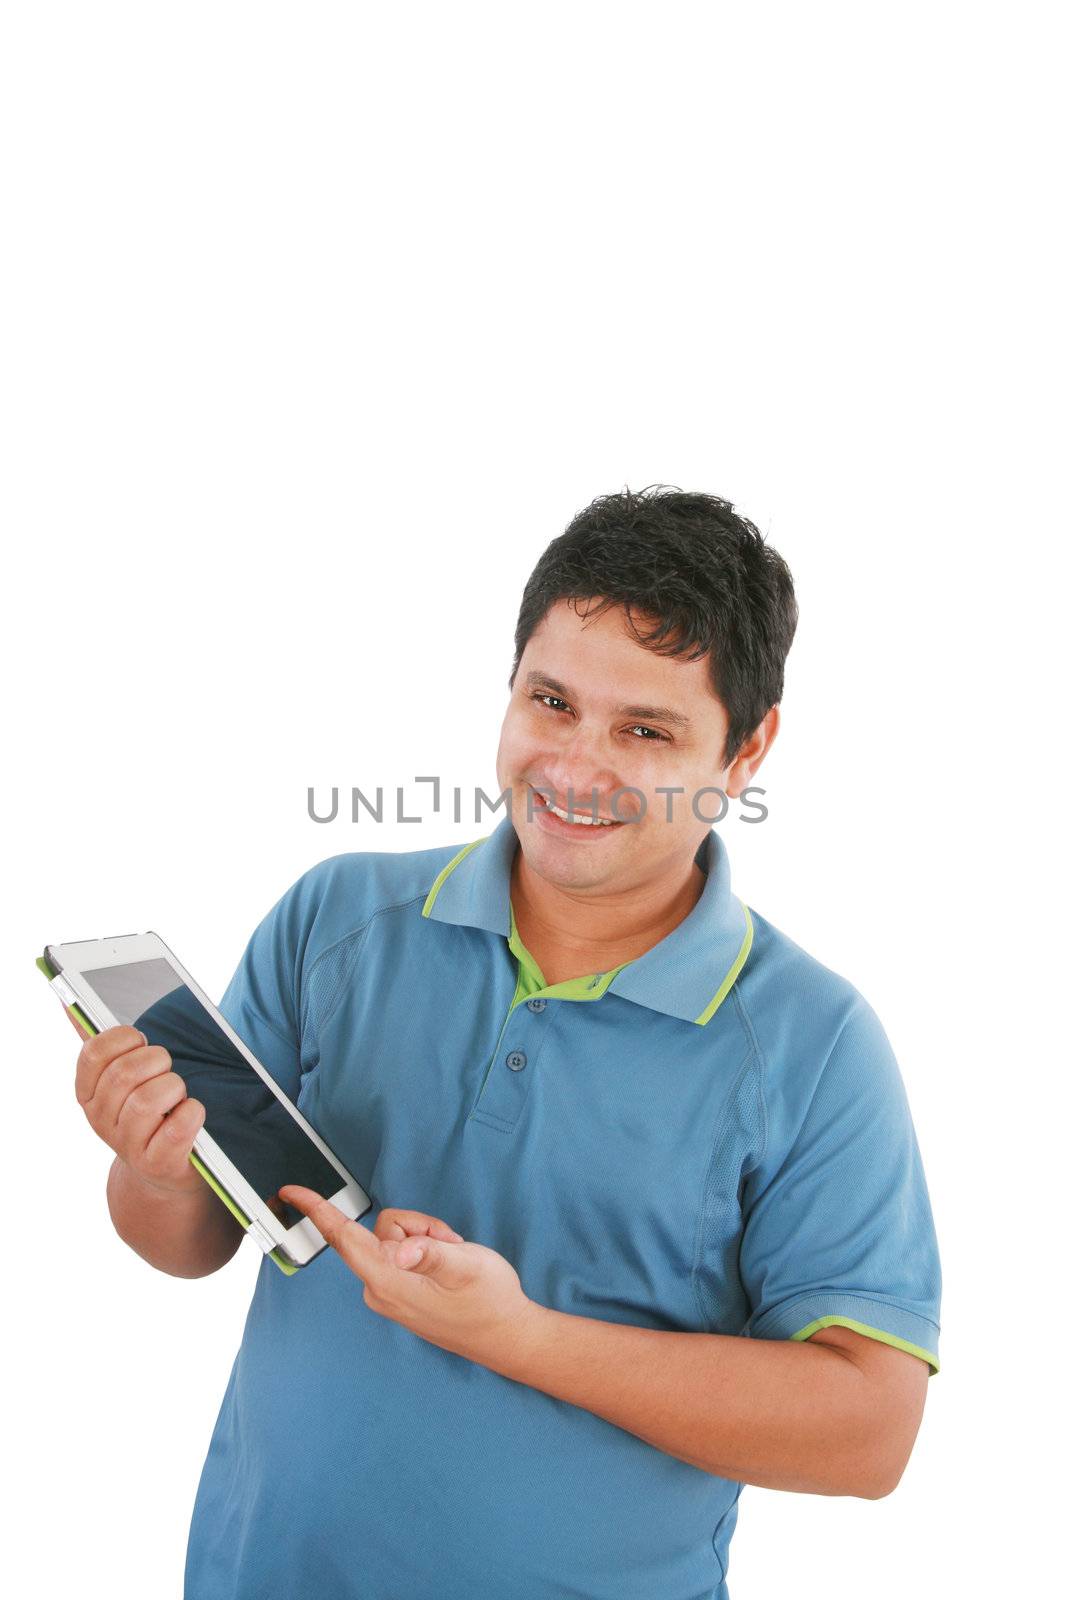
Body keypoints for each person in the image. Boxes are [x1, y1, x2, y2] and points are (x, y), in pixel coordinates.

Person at [69, 488, 942, 1600]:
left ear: (745, 746)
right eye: (550, 701)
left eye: (644, 730)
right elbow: (186, 1241)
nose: (574, 767)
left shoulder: (815, 1045)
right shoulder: (337, 920)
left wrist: (522, 1337)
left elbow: (869, 1433)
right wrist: (151, 1166)